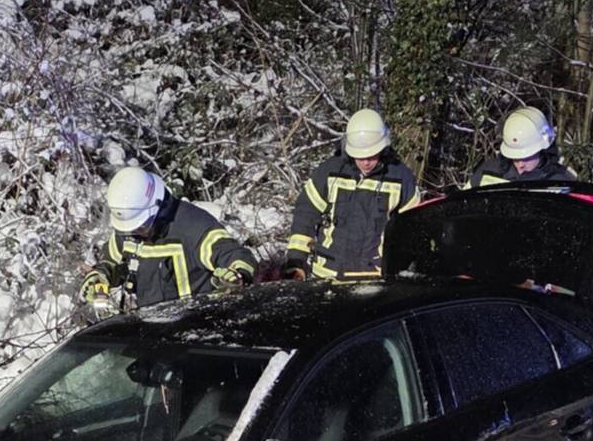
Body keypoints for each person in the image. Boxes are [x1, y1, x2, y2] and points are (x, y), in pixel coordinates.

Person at [80, 166, 257, 310]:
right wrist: (101, 276)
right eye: (131, 227)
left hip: (196, 329)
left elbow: (234, 255)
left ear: (157, 207)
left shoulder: (192, 225)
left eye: (142, 224)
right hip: (151, 329)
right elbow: (112, 260)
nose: (137, 232)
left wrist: (235, 275)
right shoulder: (128, 231)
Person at [283, 108, 419, 281]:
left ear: (384, 147)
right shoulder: (329, 172)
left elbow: (412, 231)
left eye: (372, 155)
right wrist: (296, 261)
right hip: (327, 277)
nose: (366, 162)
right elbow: (305, 216)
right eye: (360, 156)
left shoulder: (401, 179)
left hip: (374, 280)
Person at [467, 107, 576, 187]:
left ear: (542, 149)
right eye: (515, 157)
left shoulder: (561, 183)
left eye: (527, 158)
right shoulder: (488, 172)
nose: (520, 165)